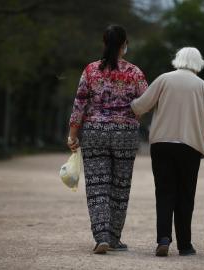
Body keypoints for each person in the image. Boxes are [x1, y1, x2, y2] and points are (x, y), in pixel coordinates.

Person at [131, 47, 204, 257]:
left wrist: (129, 104)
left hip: (162, 145)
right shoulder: (203, 86)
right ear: (198, 64)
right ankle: (185, 245)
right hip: (189, 148)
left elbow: (140, 106)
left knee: (164, 192)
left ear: (177, 60)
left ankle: (163, 239)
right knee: (185, 194)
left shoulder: (164, 79)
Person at [67, 25, 148, 254]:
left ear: (104, 43)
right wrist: (134, 113)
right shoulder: (134, 72)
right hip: (125, 135)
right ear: (124, 44)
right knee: (120, 187)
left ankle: (101, 235)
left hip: (95, 133)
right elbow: (145, 102)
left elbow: (79, 103)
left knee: (97, 186)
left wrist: (72, 135)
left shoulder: (91, 70)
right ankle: (114, 238)